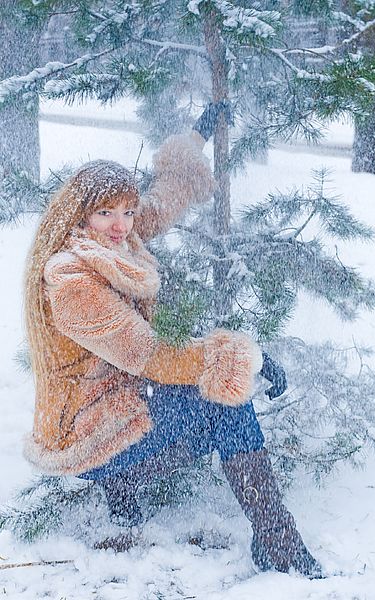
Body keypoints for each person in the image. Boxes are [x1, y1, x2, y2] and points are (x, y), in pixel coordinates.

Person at [23, 103, 323, 578]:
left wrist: (195, 140)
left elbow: (160, 203)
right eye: (106, 212)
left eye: (126, 210)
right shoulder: (71, 280)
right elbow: (150, 356)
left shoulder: (105, 243)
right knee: (225, 400)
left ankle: (127, 489)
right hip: (86, 430)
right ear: (80, 216)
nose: (122, 224)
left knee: (211, 390)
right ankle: (276, 538)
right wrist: (247, 357)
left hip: (113, 400)